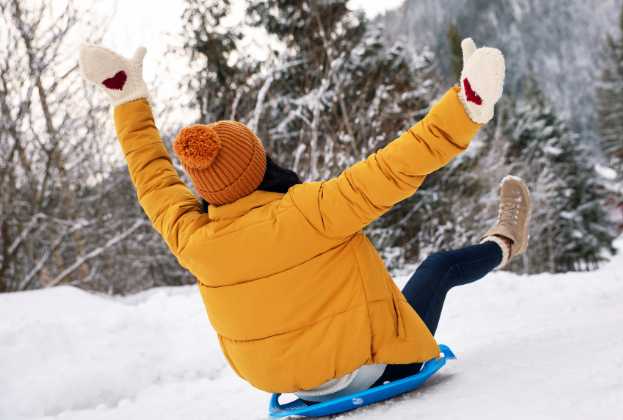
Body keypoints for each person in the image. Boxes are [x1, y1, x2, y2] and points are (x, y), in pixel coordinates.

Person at [78, 37, 530, 402]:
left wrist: (128, 100)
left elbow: (152, 177)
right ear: (261, 164)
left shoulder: (193, 237)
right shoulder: (310, 210)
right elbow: (397, 165)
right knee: (438, 268)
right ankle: (505, 240)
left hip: (295, 387)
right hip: (372, 368)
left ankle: (501, 240)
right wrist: (465, 108)